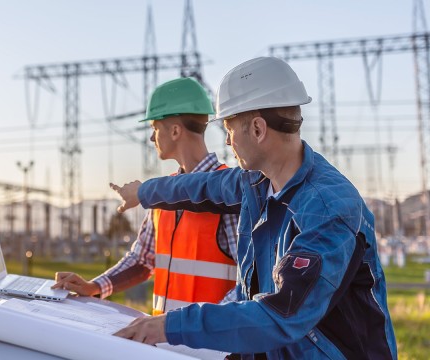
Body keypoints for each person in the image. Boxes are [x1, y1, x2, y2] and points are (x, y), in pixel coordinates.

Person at [111, 57, 397, 359]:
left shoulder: (328, 209)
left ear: (258, 129)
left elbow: (281, 314)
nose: (227, 141)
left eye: (229, 129)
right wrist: (141, 192)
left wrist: (169, 326)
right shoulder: (256, 183)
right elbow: (198, 187)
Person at [52, 77, 239, 315]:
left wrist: (205, 328)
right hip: (164, 341)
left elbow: (248, 282)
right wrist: (94, 286)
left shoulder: (228, 196)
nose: (151, 138)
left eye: (154, 128)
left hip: (210, 348)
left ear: (174, 131)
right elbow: (142, 260)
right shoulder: (161, 195)